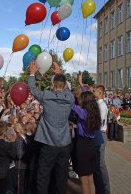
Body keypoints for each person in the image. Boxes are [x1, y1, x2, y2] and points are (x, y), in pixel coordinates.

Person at [28, 61, 75, 194]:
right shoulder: (70, 98)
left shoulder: (46, 96)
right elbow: (66, 88)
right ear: (64, 84)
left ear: (52, 85)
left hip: (48, 144)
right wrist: (59, 73)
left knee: (43, 177)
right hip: (64, 145)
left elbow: (32, 88)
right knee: (61, 178)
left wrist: (32, 73)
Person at [71, 91, 101, 194]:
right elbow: (89, 97)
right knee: (90, 179)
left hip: (82, 146)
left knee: (83, 181)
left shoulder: (83, 113)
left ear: (84, 101)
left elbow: (71, 104)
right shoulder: (95, 112)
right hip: (91, 145)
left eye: (81, 99)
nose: (79, 100)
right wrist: (82, 86)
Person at [93, 85, 111, 194]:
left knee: (100, 163)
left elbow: (98, 122)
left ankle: (105, 189)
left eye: (94, 91)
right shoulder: (99, 104)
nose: (93, 92)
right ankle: (100, 186)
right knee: (97, 162)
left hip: (100, 134)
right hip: (99, 133)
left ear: (99, 93)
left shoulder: (102, 106)